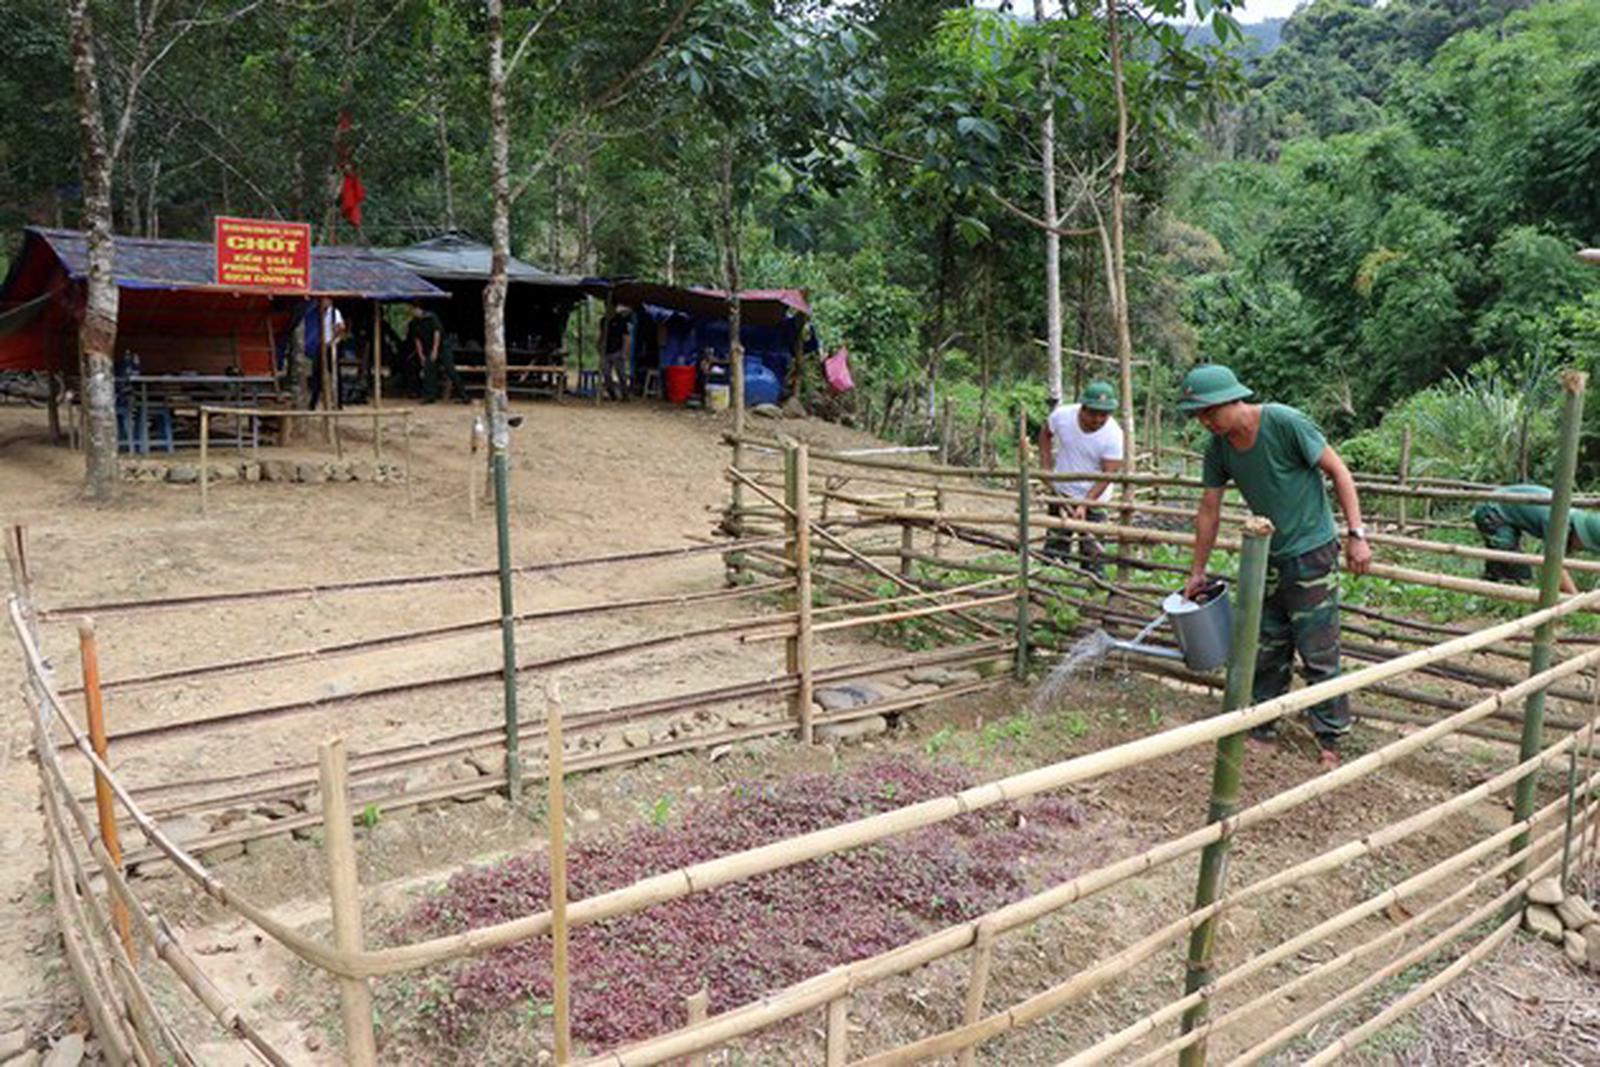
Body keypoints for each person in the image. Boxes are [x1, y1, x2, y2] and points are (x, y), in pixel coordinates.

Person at [1178, 364, 1371, 768]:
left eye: (1209, 412)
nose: (1205, 421)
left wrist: (1356, 534)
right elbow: (1209, 508)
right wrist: (1197, 570)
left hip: (1312, 550)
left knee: (1318, 648)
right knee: (1265, 644)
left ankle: (1330, 740)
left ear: (1233, 400)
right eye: (1199, 415)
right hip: (1265, 555)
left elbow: (1338, 471)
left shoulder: (1284, 423)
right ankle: (1263, 728)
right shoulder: (1218, 448)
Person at [1037, 381, 1125, 575]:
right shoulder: (1062, 416)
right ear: (1082, 408)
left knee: (1092, 551)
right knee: (1056, 543)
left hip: (1096, 499)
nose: (1098, 419)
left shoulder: (1114, 435)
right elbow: (1045, 433)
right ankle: (1053, 578)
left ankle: (1092, 581)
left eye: (1104, 415)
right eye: (1093, 413)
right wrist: (1045, 466)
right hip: (1062, 491)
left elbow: (1108, 473)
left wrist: (1085, 504)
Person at [1472, 485, 1600, 593]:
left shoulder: (1573, 517)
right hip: (1492, 509)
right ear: (1581, 536)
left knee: (1504, 563)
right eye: (1584, 546)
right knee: (1514, 567)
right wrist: (1575, 598)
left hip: (1505, 508)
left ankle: (1487, 589)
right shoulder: (1558, 522)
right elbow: (1554, 568)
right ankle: (1492, 592)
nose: (1582, 549)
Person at [408, 302, 467, 404]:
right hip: (428, 348)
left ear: (417, 309)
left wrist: (435, 350)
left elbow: (437, 333)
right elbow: (417, 340)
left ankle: (464, 395)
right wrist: (421, 355)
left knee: (450, 369)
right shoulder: (414, 323)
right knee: (428, 371)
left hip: (442, 347)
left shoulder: (431, 317)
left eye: (411, 310)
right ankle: (429, 396)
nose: (410, 312)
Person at [602, 305, 634, 401]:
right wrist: (599, 345)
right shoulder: (603, 321)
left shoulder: (621, 321)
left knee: (621, 374)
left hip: (618, 350)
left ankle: (625, 394)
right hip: (606, 351)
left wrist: (625, 351)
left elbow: (626, 337)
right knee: (606, 374)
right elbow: (602, 334)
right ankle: (612, 394)